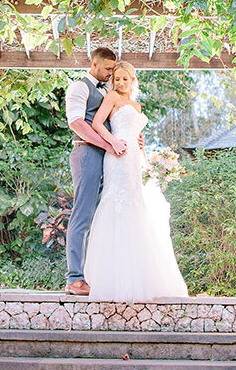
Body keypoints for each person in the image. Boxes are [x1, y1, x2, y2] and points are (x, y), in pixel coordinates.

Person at [83, 61, 188, 302]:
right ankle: (114, 279)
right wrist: (114, 142)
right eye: (116, 79)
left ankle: (141, 275)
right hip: (117, 155)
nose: (119, 83)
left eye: (124, 79)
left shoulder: (137, 105)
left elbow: (136, 132)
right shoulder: (111, 97)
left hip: (134, 159)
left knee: (137, 205)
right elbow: (97, 124)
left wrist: (142, 150)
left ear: (132, 80)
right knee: (117, 203)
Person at [63, 47, 120, 296]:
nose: (111, 73)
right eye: (108, 69)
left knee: (102, 216)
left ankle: (94, 274)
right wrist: (107, 144)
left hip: (105, 157)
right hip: (86, 153)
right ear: (94, 64)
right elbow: (77, 123)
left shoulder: (107, 90)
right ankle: (74, 278)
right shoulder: (79, 87)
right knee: (82, 215)